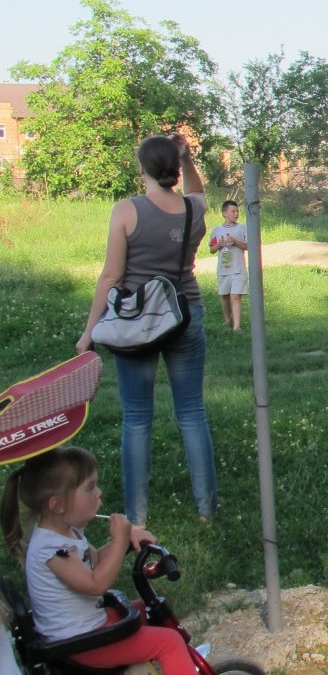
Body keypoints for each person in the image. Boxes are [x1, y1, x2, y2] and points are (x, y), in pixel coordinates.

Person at [76, 134, 217, 526]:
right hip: (184, 314)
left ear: (143, 167)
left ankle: (136, 520)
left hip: (136, 323)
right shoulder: (193, 209)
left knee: (137, 418)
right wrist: (187, 159)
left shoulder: (126, 210)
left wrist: (89, 332)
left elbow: (111, 276)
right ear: (174, 168)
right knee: (192, 413)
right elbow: (198, 191)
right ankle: (207, 511)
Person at [0, 447, 192, 673]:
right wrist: (119, 541)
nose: (99, 493)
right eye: (90, 488)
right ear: (57, 505)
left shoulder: (66, 531)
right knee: (170, 642)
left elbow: (97, 559)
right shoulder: (51, 548)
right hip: (80, 644)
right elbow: (95, 584)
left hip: (86, 629)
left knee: (144, 609)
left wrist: (126, 541)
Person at [209, 200, 248, 330]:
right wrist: (219, 245)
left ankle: (237, 327)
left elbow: (248, 246)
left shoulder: (242, 228)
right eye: (233, 211)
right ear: (224, 213)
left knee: (235, 296)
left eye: (237, 211)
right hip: (223, 269)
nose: (236, 214)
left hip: (238, 269)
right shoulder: (217, 230)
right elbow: (212, 249)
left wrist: (235, 242)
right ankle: (227, 320)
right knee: (225, 296)